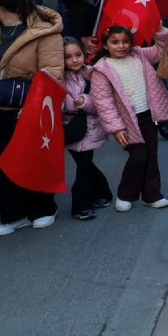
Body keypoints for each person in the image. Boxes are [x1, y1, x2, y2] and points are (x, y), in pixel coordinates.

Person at [0, 0, 63, 234]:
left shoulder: (44, 32)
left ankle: (43, 208)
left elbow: (52, 73)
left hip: (28, 108)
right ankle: (13, 215)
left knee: (30, 161)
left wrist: (33, 107)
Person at [91, 26, 168, 212]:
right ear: (105, 45)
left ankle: (151, 195)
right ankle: (125, 194)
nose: (121, 46)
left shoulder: (140, 55)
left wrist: (157, 26)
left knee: (151, 156)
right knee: (139, 156)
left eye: (125, 41)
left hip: (148, 115)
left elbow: (163, 49)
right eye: (115, 42)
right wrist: (116, 128)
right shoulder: (101, 69)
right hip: (127, 121)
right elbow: (104, 103)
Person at [62, 37, 111, 221]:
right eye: (68, 57)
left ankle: (82, 205)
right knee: (85, 164)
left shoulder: (93, 74)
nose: (74, 60)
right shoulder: (59, 78)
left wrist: (85, 102)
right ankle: (102, 192)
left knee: (83, 165)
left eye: (78, 55)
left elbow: (102, 101)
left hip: (89, 126)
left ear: (84, 54)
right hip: (70, 128)